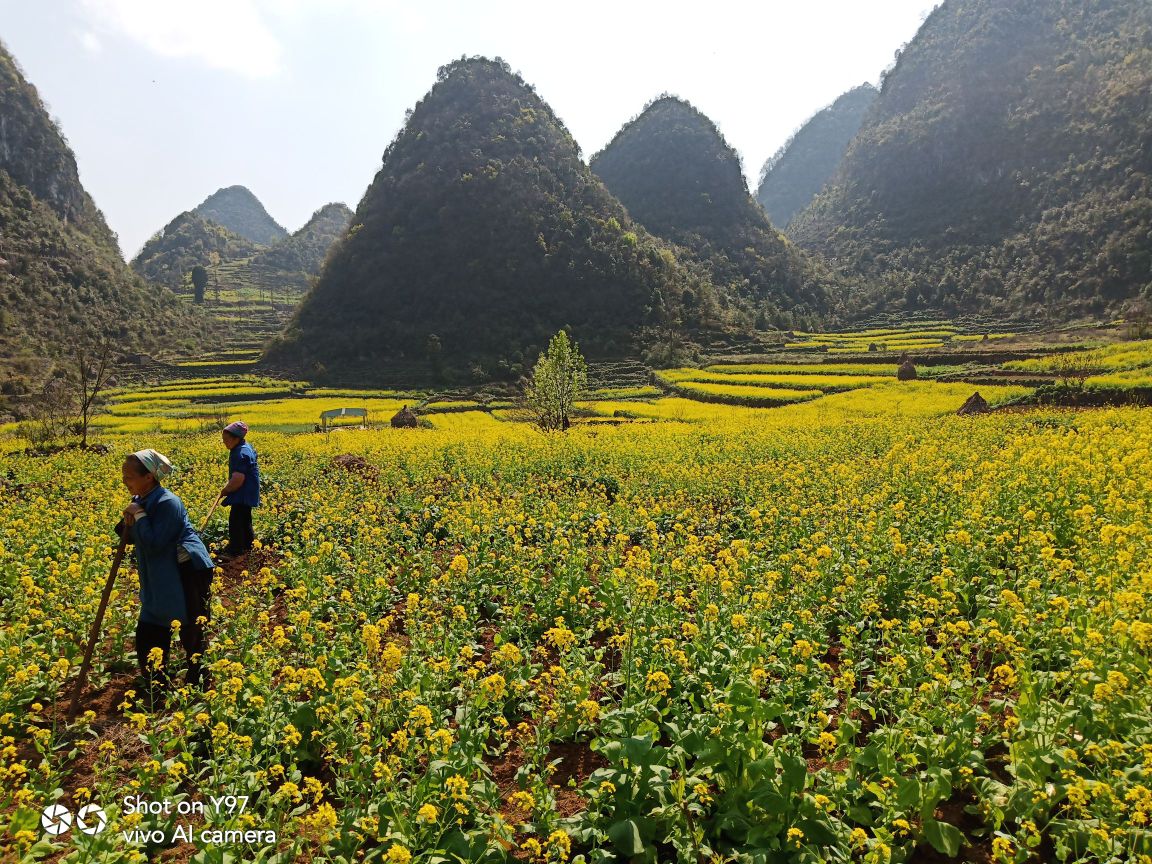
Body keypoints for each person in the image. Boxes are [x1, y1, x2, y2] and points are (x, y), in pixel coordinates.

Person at [117, 449, 215, 703]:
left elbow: (155, 542)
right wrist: (132, 514)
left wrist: (138, 515)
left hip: (188, 572)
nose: (124, 480)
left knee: (191, 627)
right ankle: (156, 687)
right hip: (160, 573)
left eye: (129, 476)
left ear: (149, 477)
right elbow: (125, 534)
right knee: (151, 627)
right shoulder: (143, 499)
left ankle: (198, 685)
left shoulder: (167, 502)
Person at [219, 420, 260, 559]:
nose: (224, 442)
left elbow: (238, 479)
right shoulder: (244, 447)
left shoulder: (240, 453)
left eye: (226, 439)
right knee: (245, 518)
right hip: (248, 491)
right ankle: (249, 546)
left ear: (236, 438)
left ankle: (235, 550)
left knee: (236, 519)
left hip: (243, 491)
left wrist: (226, 490)